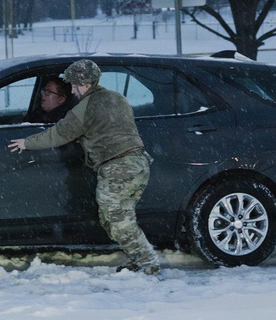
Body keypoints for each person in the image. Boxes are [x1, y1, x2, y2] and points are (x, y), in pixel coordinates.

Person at [8, 59, 161, 274]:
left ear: (84, 84)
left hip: (118, 166)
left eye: (73, 85)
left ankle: (148, 263)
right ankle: (138, 257)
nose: (72, 90)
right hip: (137, 163)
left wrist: (27, 143)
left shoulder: (86, 107)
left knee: (116, 217)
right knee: (113, 217)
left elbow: (59, 134)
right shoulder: (117, 97)